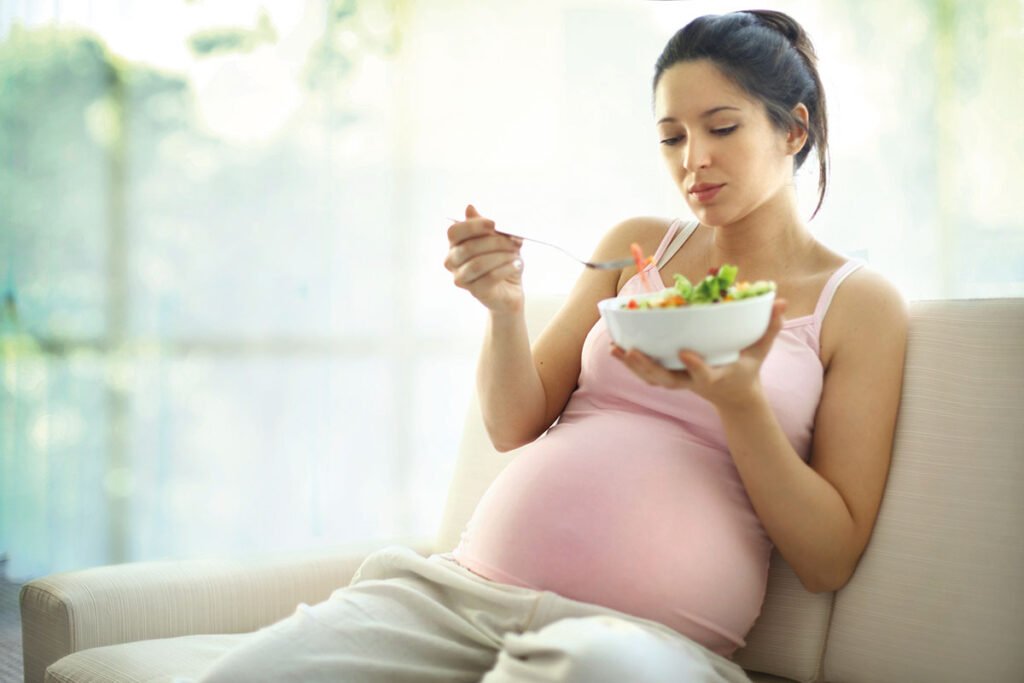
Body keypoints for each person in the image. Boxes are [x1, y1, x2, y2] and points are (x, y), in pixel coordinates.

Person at [197, 9, 906, 682]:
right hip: (458, 598)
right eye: (671, 136)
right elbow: (513, 422)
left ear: (794, 130)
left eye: (721, 126)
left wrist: (740, 402)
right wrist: (504, 310)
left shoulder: (858, 304)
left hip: (633, 643)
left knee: (587, 669)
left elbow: (827, 559)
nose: (695, 160)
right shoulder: (635, 247)